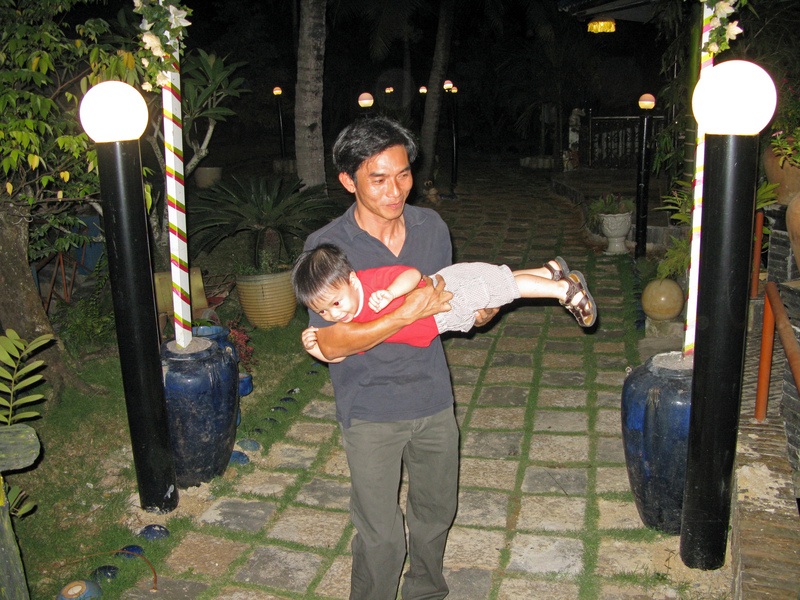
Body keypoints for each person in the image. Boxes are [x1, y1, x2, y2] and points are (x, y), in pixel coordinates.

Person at [301, 116, 496, 600]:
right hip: (370, 408)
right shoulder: (327, 248)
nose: (396, 190)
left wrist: (478, 313)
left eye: (404, 174)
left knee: (436, 513)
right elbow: (330, 344)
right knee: (381, 536)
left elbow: (443, 303)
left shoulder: (431, 227)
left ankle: (425, 592)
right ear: (348, 181)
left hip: (432, 397)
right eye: (379, 179)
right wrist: (402, 313)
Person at [291, 243, 597, 363]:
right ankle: (548, 272)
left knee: (506, 288)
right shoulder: (352, 324)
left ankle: (565, 290)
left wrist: (392, 293)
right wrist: (314, 348)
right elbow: (340, 356)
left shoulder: (370, 283)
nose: (333, 313)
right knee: (498, 284)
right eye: (322, 311)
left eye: (336, 303)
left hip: (446, 296)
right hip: (443, 313)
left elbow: (411, 274)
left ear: (352, 281)